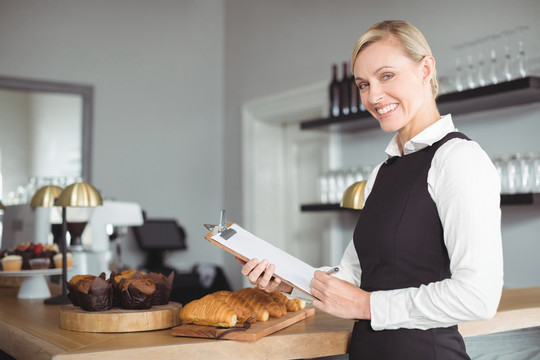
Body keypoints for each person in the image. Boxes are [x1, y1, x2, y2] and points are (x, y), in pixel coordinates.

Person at [238, 20, 503, 359]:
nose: (373, 96)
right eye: (363, 84)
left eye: (386, 76)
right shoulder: (383, 171)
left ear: (425, 69)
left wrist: (366, 304)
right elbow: (356, 274)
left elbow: (477, 296)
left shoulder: (459, 159)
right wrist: (289, 283)